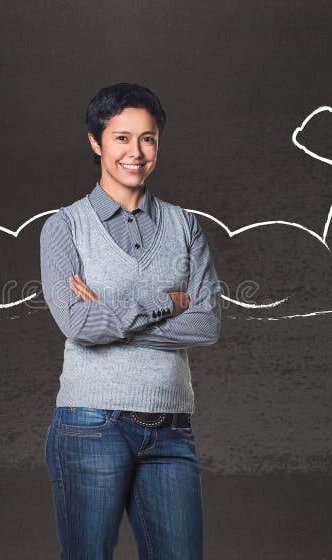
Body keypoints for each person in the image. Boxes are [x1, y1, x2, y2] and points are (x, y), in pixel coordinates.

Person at [39, 82, 222, 560]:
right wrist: (164, 301)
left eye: (148, 138)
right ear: (96, 143)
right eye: (121, 138)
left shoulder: (185, 225)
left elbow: (206, 323)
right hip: (90, 424)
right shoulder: (64, 227)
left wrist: (111, 311)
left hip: (171, 428)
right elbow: (79, 325)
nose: (136, 152)